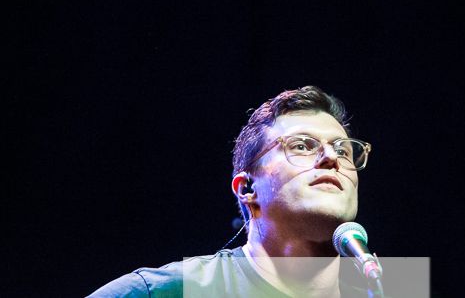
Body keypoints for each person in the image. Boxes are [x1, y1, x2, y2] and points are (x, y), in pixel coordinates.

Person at [90, 86, 372, 297]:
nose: (330, 158)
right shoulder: (170, 291)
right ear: (247, 188)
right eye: (301, 146)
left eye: (343, 150)